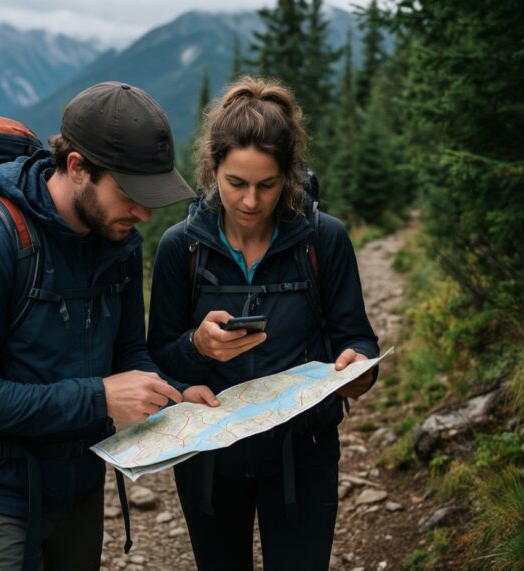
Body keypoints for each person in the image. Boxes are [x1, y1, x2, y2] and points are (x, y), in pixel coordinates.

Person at [0, 82, 200, 571]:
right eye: (130, 194)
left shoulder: (117, 241)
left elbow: (129, 354)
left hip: (80, 485)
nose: (143, 213)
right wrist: (99, 398)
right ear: (77, 168)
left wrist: (177, 396)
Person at [147, 76, 380, 571]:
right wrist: (197, 349)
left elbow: (357, 338)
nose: (251, 201)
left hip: (305, 455)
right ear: (213, 170)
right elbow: (157, 358)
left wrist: (358, 369)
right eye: (236, 183)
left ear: (289, 175)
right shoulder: (180, 247)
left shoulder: (324, 240)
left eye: (267, 185)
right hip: (210, 458)